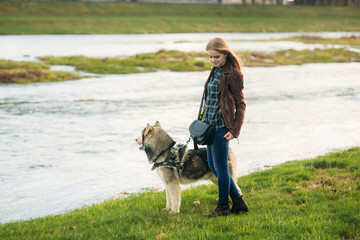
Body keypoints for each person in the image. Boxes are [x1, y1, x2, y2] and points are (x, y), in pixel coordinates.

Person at [201, 37, 248, 217]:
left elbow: (241, 104)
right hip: (209, 127)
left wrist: (234, 130)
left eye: (216, 57)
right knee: (213, 165)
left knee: (220, 167)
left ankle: (222, 207)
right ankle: (238, 201)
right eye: (210, 57)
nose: (213, 60)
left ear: (226, 54)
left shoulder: (234, 74)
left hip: (222, 128)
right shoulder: (215, 70)